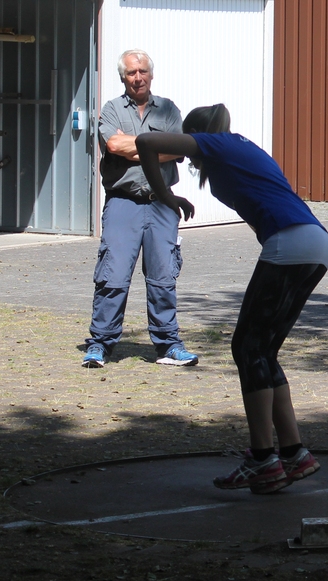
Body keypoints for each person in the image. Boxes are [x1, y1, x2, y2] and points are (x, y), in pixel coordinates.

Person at [135, 103, 328, 493]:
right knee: (262, 351)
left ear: (195, 136)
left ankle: (263, 459)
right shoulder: (239, 149)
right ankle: (293, 453)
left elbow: (145, 142)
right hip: (312, 242)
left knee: (247, 348)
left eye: (189, 150)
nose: (189, 160)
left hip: (290, 240)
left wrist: (167, 196)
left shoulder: (218, 144)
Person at [82, 49, 199, 369]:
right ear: (123, 77)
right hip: (124, 202)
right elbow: (113, 145)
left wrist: (133, 148)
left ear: (151, 74)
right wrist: (154, 146)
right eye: (131, 73)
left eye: (142, 71)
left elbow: (180, 149)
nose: (138, 78)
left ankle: (168, 345)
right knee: (113, 276)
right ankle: (100, 344)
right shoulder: (111, 109)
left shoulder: (169, 109)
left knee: (163, 277)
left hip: (161, 202)